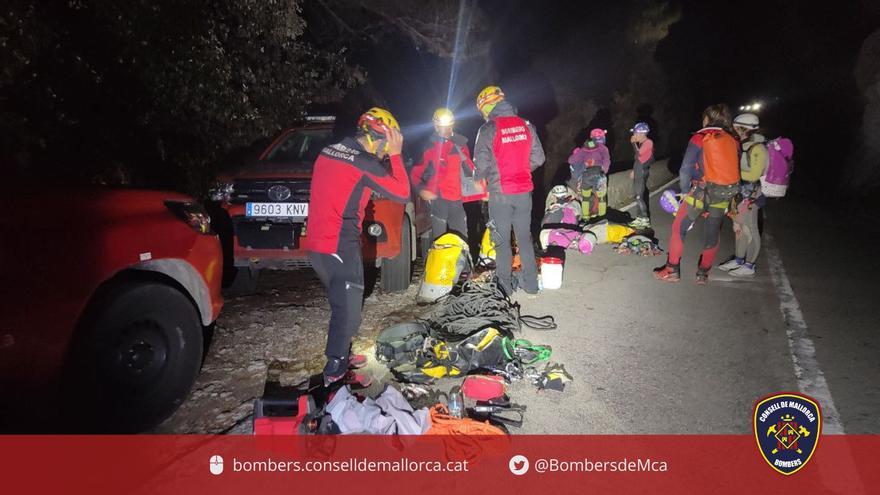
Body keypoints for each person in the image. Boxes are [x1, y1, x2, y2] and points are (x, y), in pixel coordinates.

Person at [306, 107, 411, 386]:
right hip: (338, 244)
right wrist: (398, 155)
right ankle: (335, 371)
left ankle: (341, 353)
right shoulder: (363, 161)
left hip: (317, 244)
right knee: (348, 308)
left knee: (343, 303)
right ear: (380, 138)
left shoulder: (329, 150)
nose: (385, 155)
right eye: (385, 149)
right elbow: (402, 192)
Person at [654, 104, 739, 285]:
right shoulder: (732, 139)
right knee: (712, 234)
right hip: (722, 195)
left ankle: (672, 269)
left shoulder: (700, 138)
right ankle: (703, 274)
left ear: (707, 119)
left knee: (679, 228)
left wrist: (684, 192)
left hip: (699, 193)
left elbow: (685, 169)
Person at [473, 85, 545, 296]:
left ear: (486, 107)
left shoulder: (488, 129)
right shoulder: (526, 125)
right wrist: (522, 170)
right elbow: (539, 158)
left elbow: (481, 165)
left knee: (502, 241)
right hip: (524, 194)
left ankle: (504, 289)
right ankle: (531, 286)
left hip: (500, 195)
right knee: (524, 237)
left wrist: (480, 180)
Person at [410, 107, 484, 240]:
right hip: (439, 200)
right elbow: (415, 174)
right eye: (444, 127)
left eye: (450, 126)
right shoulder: (430, 148)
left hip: (457, 201)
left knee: (461, 241)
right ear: (436, 127)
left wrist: (482, 189)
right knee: (439, 241)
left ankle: (461, 261)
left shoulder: (460, 145)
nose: (448, 130)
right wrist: (422, 190)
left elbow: (469, 169)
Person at [718, 113, 768, 277]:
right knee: (738, 227)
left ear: (742, 128)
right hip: (740, 193)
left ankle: (750, 265)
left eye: (735, 127)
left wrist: (732, 173)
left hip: (752, 195)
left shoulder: (758, 148)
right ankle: (739, 259)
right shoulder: (744, 145)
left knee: (750, 229)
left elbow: (754, 175)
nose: (733, 129)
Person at [567, 128, 611, 221]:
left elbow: (570, 160)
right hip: (598, 175)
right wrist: (603, 171)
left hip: (586, 176)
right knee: (601, 197)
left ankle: (586, 217)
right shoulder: (603, 148)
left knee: (585, 198)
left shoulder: (584, 149)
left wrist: (584, 161)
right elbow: (607, 161)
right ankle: (601, 217)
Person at [629, 122, 654, 228]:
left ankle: (644, 219)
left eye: (636, 133)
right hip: (639, 170)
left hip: (642, 171)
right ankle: (639, 218)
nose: (634, 135)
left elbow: (639, 154)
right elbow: (639, 159)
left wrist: (633, 143)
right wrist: (634, 170)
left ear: (642, 133)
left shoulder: (648, 142)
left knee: (639, 196)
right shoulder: (642, 143)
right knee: (637, 195)